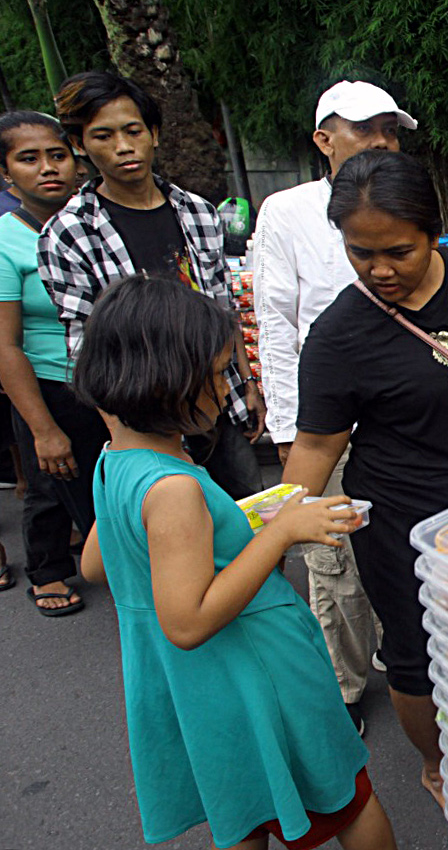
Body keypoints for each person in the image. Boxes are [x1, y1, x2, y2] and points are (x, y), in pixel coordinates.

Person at [73, 274, 396, 850]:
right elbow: (189, 621)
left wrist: (233, 526)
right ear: (167, 378)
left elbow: (99, 565)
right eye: (218, 374)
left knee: (243, 811)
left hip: (196, 691)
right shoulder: (174, 487)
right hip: (257, 671)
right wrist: (282, 534)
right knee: (347, 798)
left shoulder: (113, 462)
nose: (227, 390)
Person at [281, 149, 448, 807]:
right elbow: (318, 444)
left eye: (398, 252)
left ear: (434, 232)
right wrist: (268, 531)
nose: (379, 270)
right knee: (417, 658)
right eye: (359, 253)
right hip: (402, 526)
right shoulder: (339, 335)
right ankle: (438, 764)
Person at [252, 80, 413, 735]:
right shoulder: (288, 211)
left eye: (390, 129)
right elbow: (276, 322)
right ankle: (342, 684)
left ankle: (397, 656)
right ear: (324, 139)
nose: (382, 140)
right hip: (326, 421)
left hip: (399, 412)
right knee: (332, 554)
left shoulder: (408, 200)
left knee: (394, 540)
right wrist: (291, 434)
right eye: (364, 128)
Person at [36, 70, 264, 499]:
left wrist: (247, 383)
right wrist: (124, 444)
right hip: (144, 418)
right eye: (103, 136)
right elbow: (86, 347)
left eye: (133, 130)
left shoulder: (195, 211)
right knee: (173, 534)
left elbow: (221, 304)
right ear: (80, 145)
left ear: (153, 133)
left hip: (216, 403)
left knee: (247, 517)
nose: (123, 147)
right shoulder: (69, 232)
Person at [0, 110, 110, 614]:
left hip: (114, 381)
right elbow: (6, 345)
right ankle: (47, 569)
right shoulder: (7, 241)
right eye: (29, 158)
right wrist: (42, 427)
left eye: (58, 155)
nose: (49, 167)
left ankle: (115, 551)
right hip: (50, 384)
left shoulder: (97, 222)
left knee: (110, 481)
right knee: (52, 475)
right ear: (6, 174)